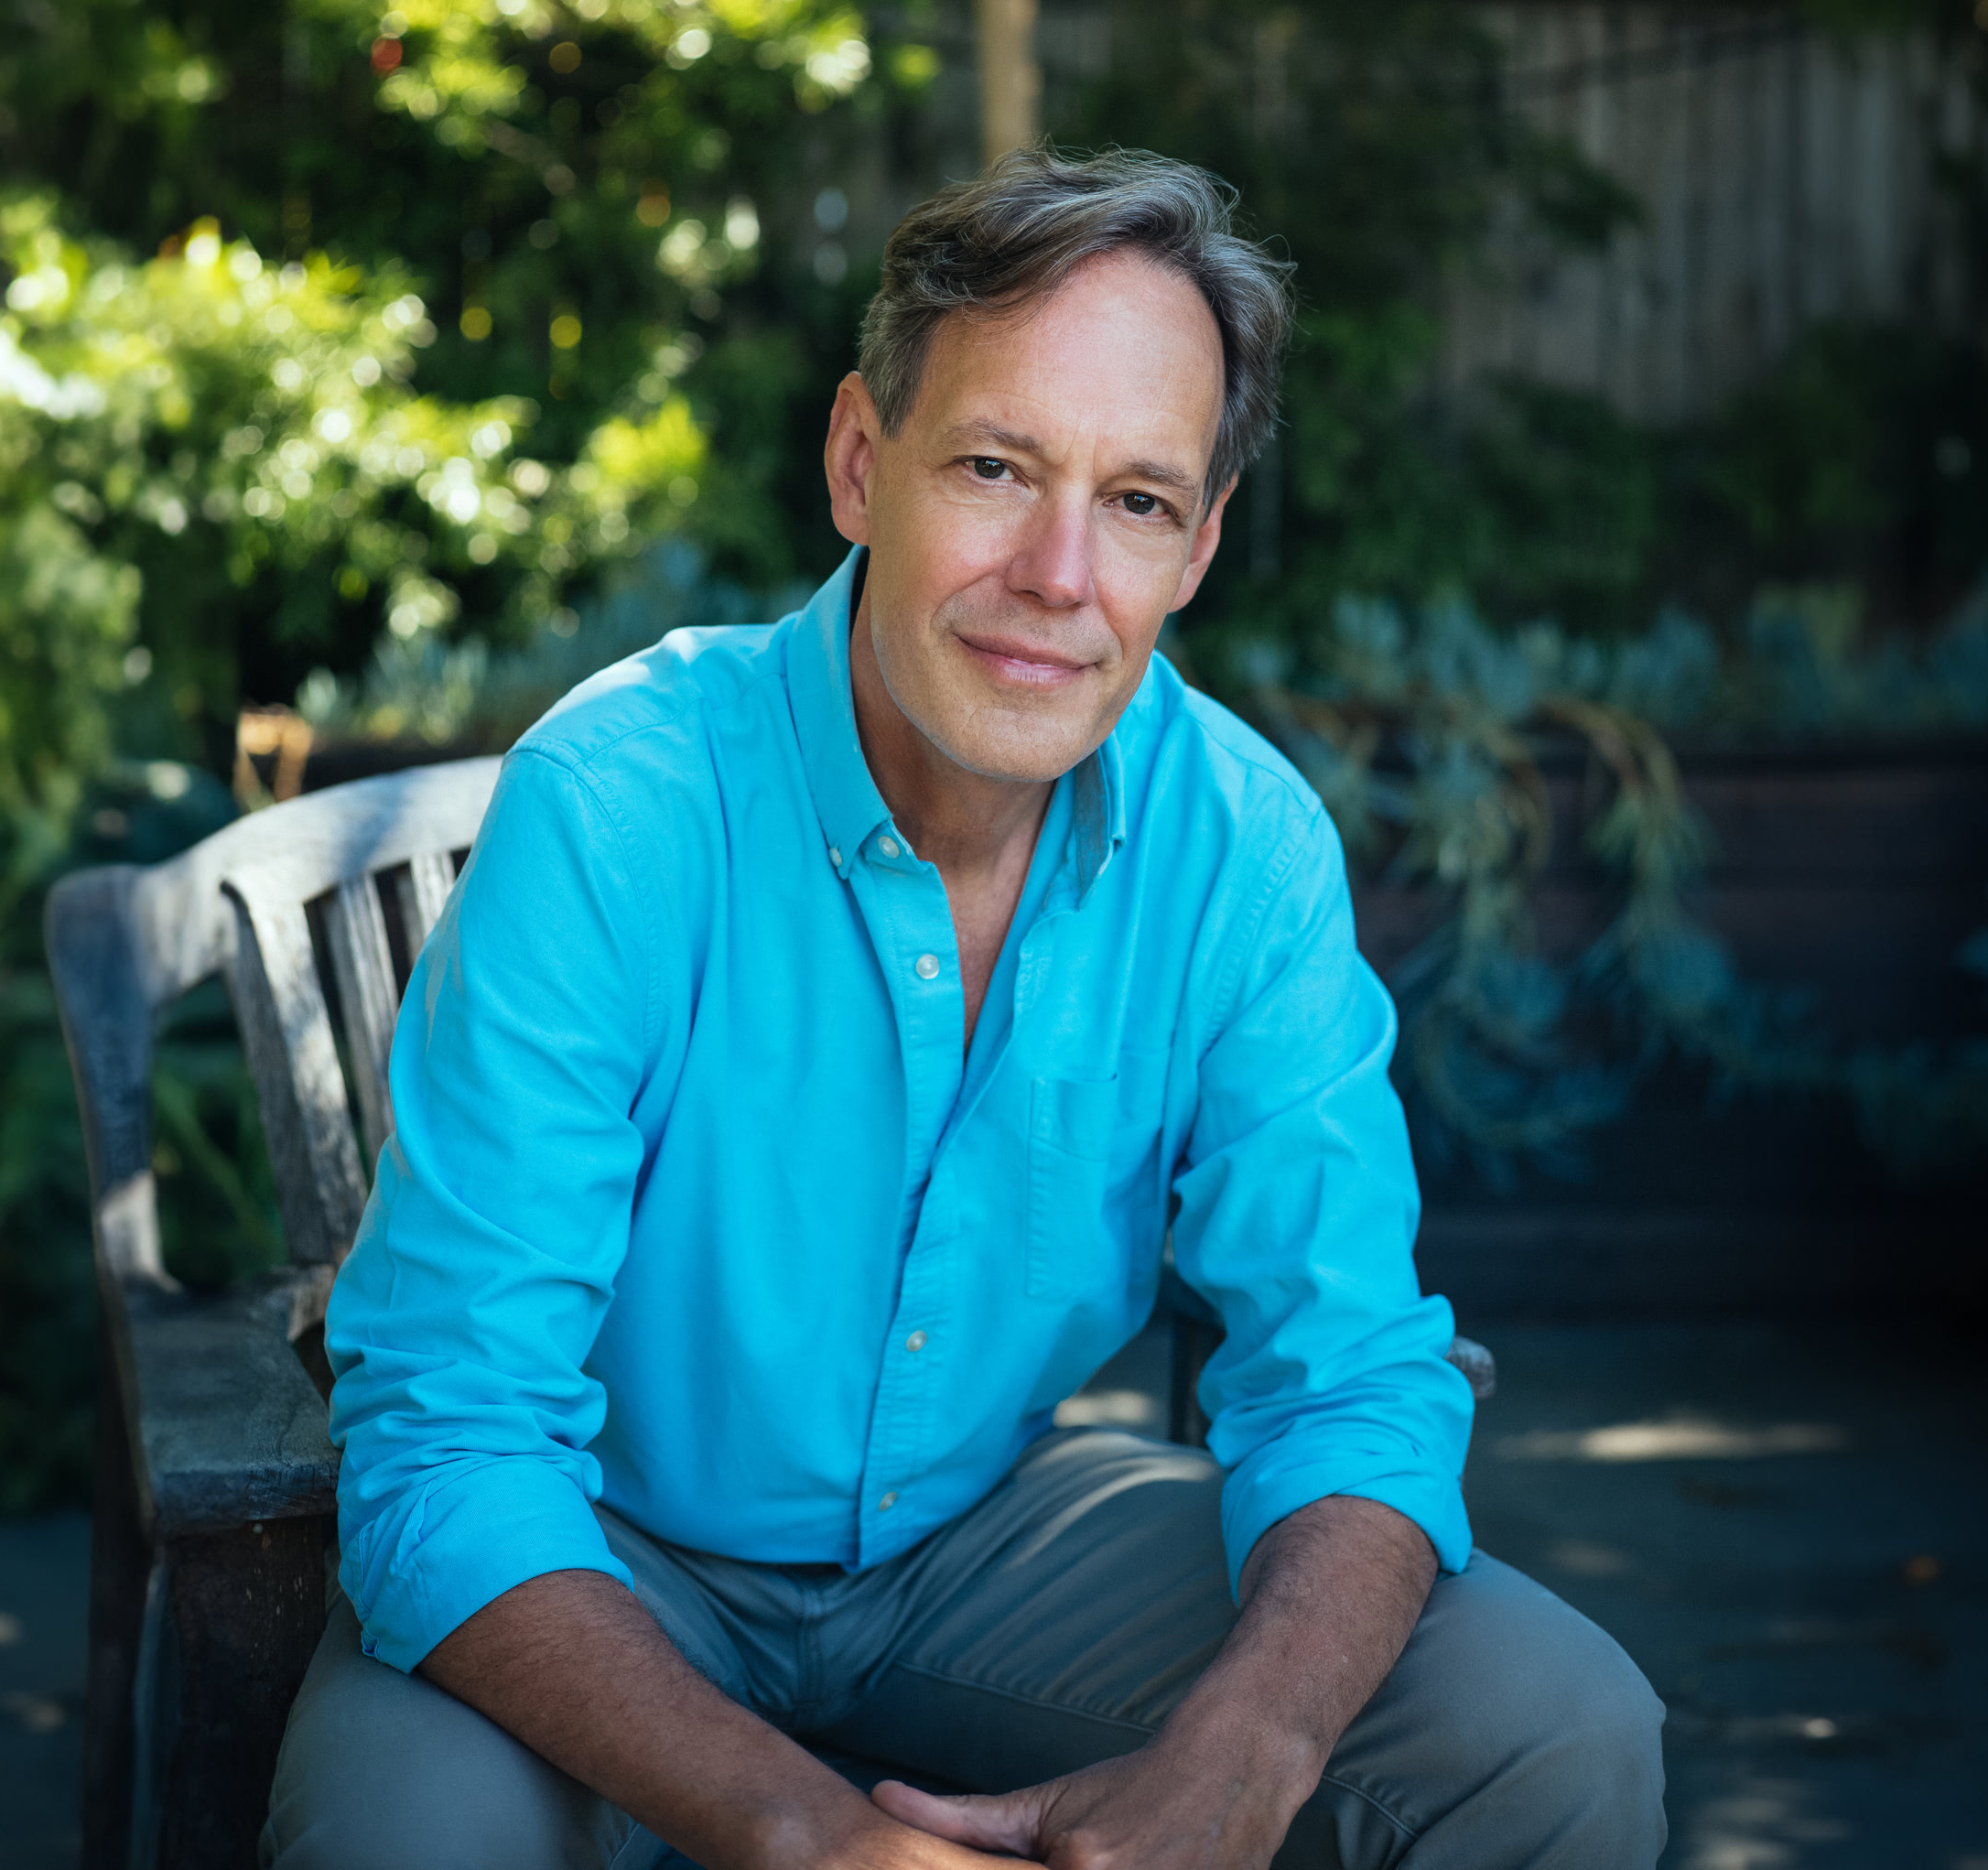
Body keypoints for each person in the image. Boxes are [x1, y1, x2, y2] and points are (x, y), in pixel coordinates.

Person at [262, 148, 1665, 1870]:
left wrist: (1242, 1754)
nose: (1060, 573)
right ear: (863, 461)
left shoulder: (1244, 849)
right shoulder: (622, 803)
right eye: (998, 467)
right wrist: (807, 1830)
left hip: (982, 1541)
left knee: (1554, 1728)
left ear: (1200, 545)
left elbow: (1352, 1377)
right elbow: (450, 1428)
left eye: (1139, 501)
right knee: (406, 1846)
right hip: (593, 1545)